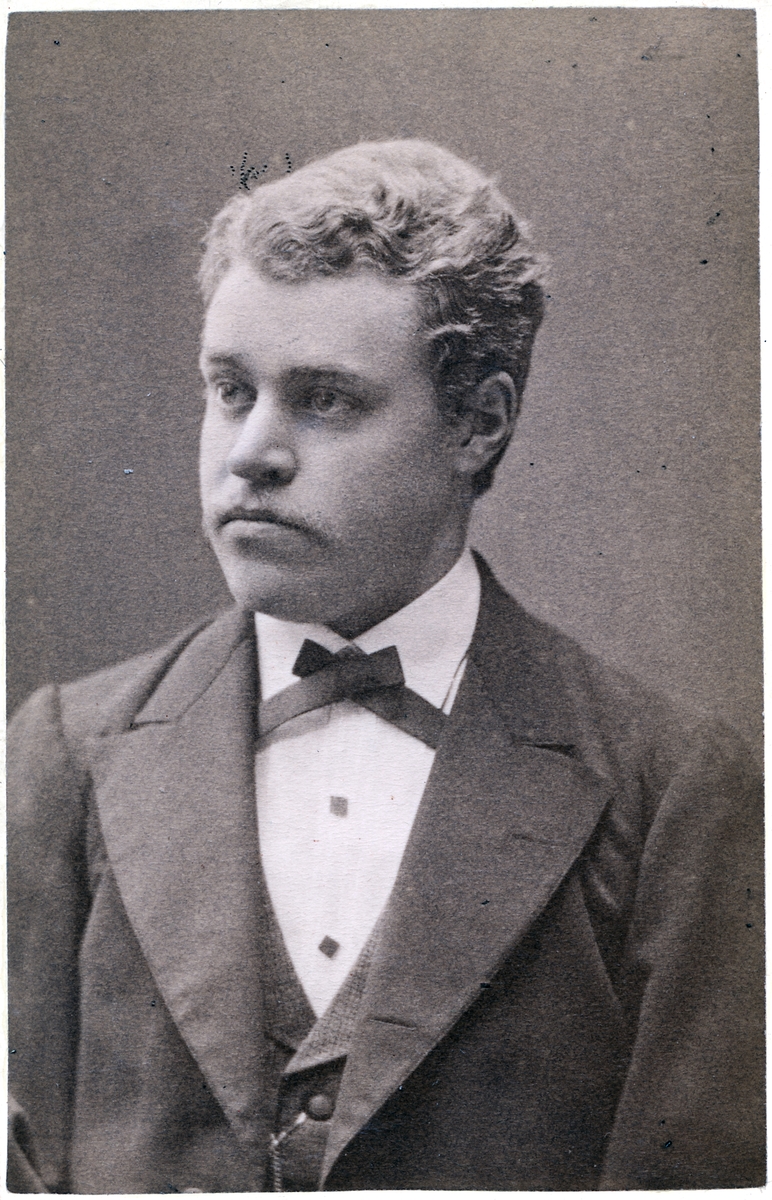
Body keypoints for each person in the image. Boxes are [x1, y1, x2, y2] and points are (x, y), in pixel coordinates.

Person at [8, 139, 763, 1194]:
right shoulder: (63, 757)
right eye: (230, 390)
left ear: (478, 423)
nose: (250, 452)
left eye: (324, 400)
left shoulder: (673, 791)